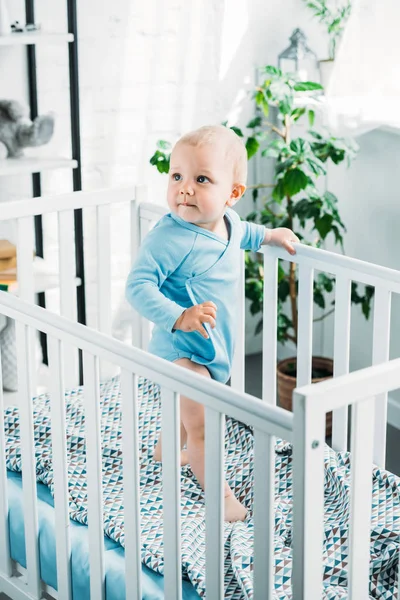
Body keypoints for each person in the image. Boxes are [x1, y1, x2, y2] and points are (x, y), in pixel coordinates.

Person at [126, 125, 300, 521]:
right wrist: (179, 316)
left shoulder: (229, 224)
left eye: (201, 179)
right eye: (176, 176)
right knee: (202, 425)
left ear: (232, 194)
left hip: (213, 348)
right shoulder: (168, 238)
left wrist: (271, 235)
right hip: (182, 352)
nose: (184, 188)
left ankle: (165, 449)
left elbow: (245, 234)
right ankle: (220, 499)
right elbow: (137, 287)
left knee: (187, 418)